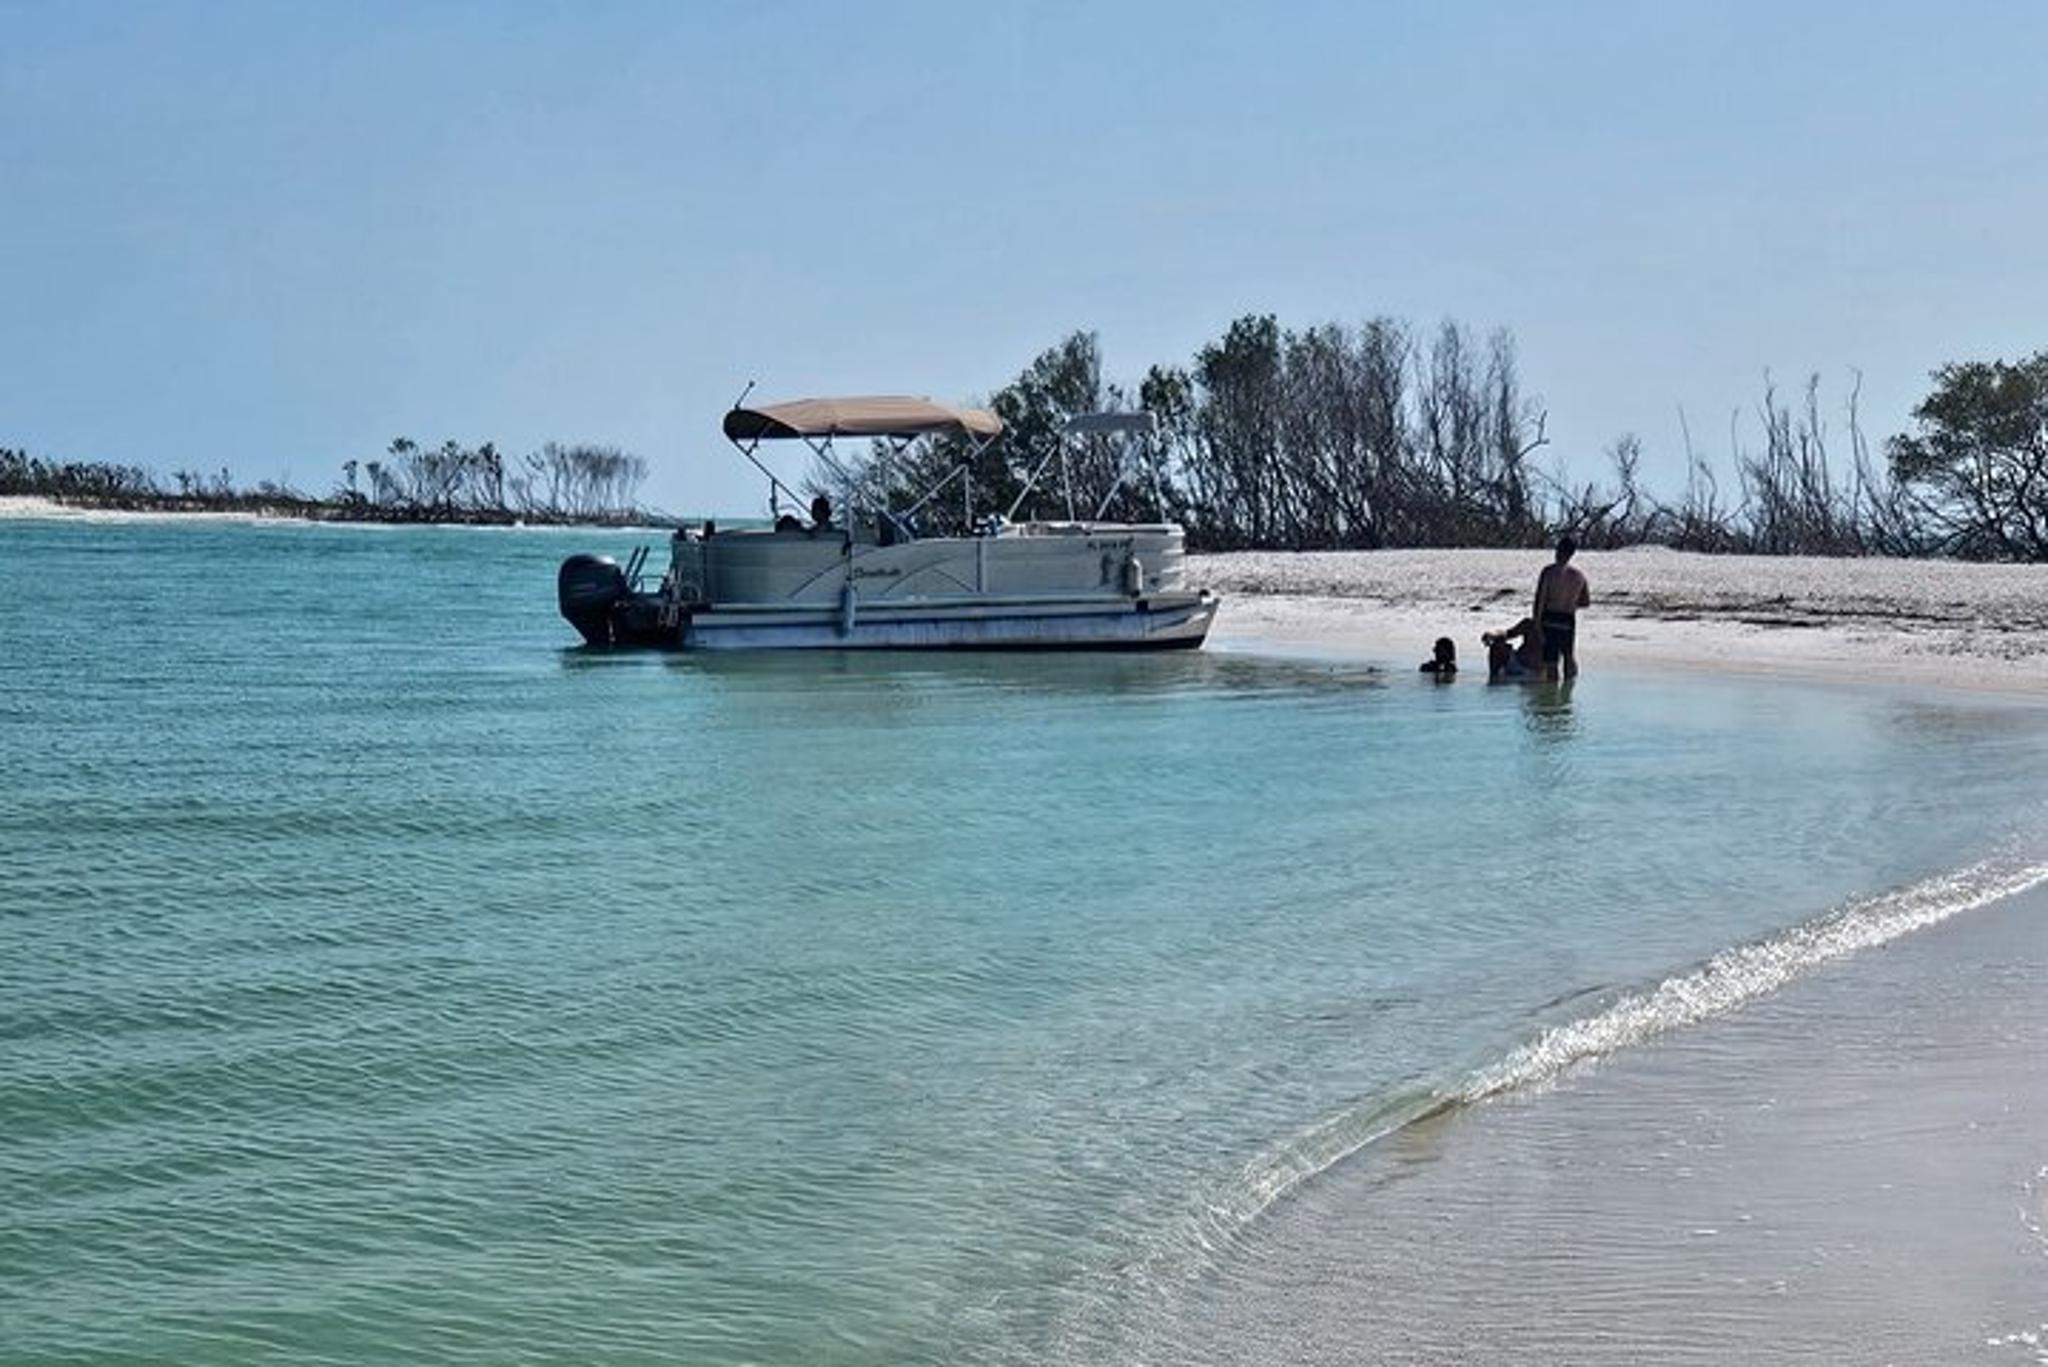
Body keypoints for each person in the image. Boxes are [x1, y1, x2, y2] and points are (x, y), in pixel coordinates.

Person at [1532, 536, 1590, 681]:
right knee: (1568, 658)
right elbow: (1586, 602)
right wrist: (1570, 603)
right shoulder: (1579, 576)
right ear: (1572, 554)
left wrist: (1537, 623)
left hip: (1550, 618)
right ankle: (1567, 698)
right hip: (1568, 619)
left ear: (1557, 550)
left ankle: (1553, 702)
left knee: (1551, 663)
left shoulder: (1548, 572)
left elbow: (1540, 599)